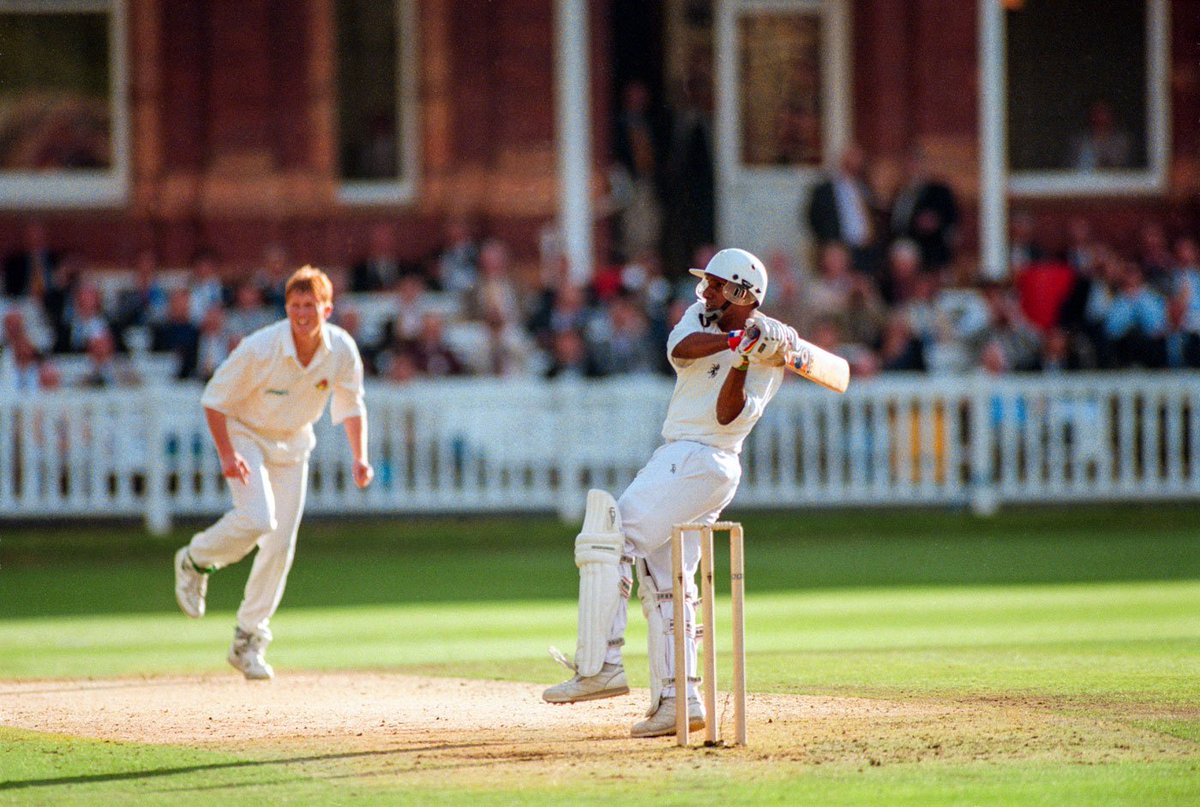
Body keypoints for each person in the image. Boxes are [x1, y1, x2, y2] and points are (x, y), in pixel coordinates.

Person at [542, 248, 796, 738]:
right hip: (683, 456)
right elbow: (679, 351)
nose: (705, 291)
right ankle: (681, 701)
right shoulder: (700, 318)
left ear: (741, 293)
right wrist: (737, 340)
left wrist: (748, 357)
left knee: (610, 538)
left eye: (717, 285)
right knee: (667, 582)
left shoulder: (769, 358)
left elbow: (728, 416)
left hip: (706, 456)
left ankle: (602, 667)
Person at [173, 266, 373, 680]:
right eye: (295, 306)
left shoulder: (341, 349)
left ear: (327, 309)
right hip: (244, 434)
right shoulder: (260, 347)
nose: (302, 314)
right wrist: (227, 453)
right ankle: (195, 560)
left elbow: (351, 404)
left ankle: (248, 639)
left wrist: (360, 457)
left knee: (280, 543)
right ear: (286, 308)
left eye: (310, 306)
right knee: (258, 520)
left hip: (293, 443)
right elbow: (214, 401)